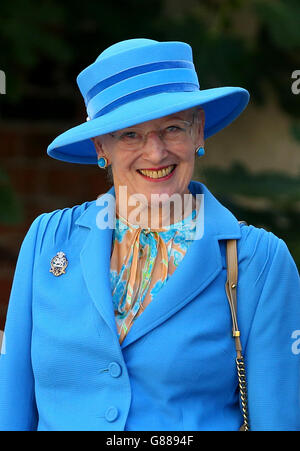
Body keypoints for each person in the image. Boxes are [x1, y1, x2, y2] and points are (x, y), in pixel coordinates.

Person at [0, 38, 299, 432]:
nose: (156, 153)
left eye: (172, 128)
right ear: (99, 145)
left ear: (199, 132)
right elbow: (12, 408)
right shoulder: (47, 241)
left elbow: (278, 420)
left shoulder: (257, 261)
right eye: (130, 135)